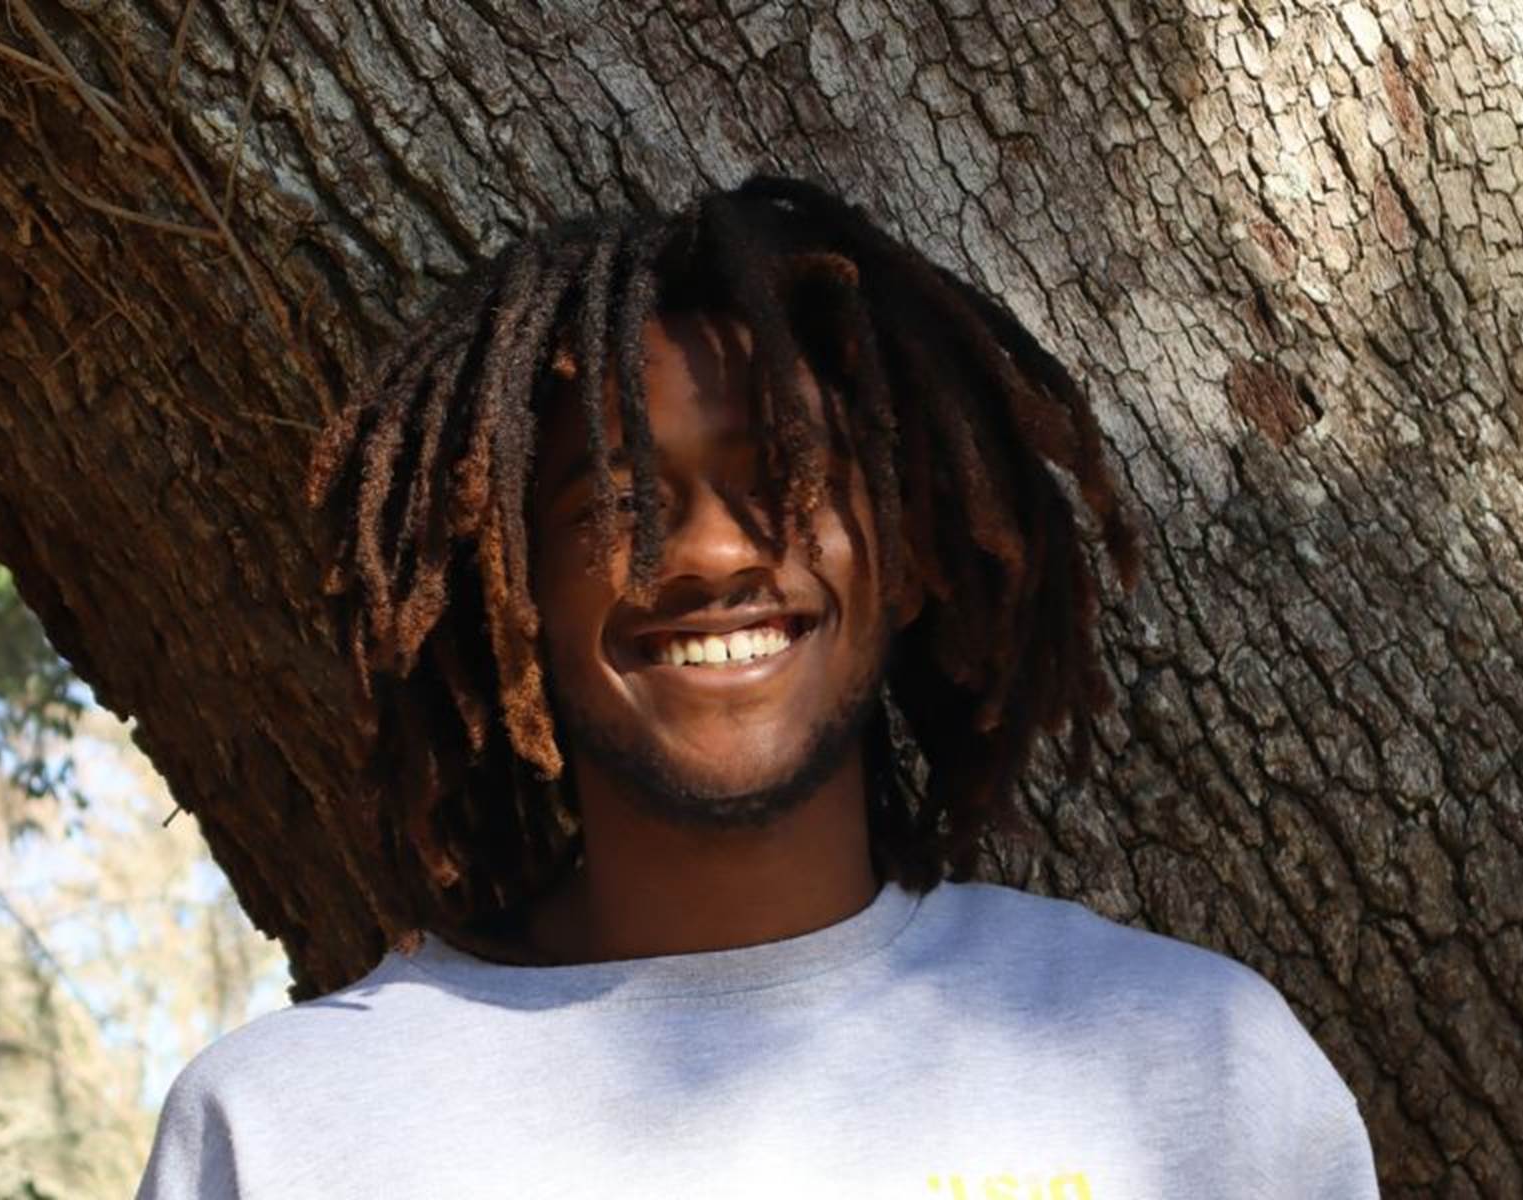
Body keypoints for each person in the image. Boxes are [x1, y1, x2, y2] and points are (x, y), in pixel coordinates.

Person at [135, 175, 1379, 1198]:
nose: (715, 553)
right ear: (510, 599)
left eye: (785, 477)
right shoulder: (289, 1135)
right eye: (617, 501)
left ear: (901, 558)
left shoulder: (1199, 1067)